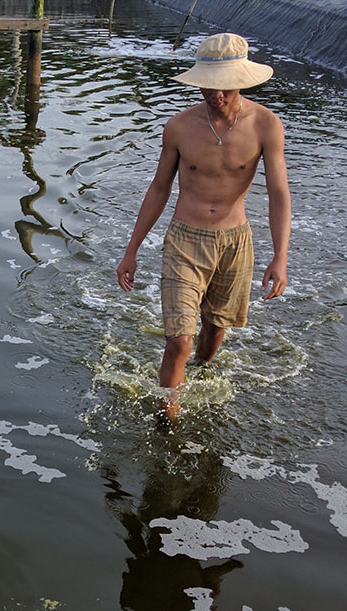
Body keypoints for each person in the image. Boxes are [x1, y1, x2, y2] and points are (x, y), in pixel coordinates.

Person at [116, 32, 290, 419]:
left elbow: (279, 194)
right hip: (185, 240)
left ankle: (199, 374)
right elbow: (159, 188)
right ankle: (168, 425)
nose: (217, 95)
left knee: (213, 332)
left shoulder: (265, 125)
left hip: (234, 241)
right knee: (179, 340)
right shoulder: (179, 127)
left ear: (241, 80)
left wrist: (280, 258)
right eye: (209, 86)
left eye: (225, 86)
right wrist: (131, 251)